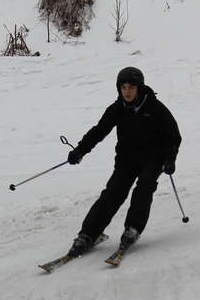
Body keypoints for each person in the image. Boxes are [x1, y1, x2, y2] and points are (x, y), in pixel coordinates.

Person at [65, 66, 182, 257]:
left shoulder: (155, 108)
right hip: (127, 158)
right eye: (123, 87)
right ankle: (88, 234)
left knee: (144, 187)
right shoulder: (116, 109)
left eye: (131, 87)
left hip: (154, 158)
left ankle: (133, 228)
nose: (127, 91)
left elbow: (173, 136)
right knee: (113, 193)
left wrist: (170, 159)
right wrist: (80, 150)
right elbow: (99, 131)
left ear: (140, 88)